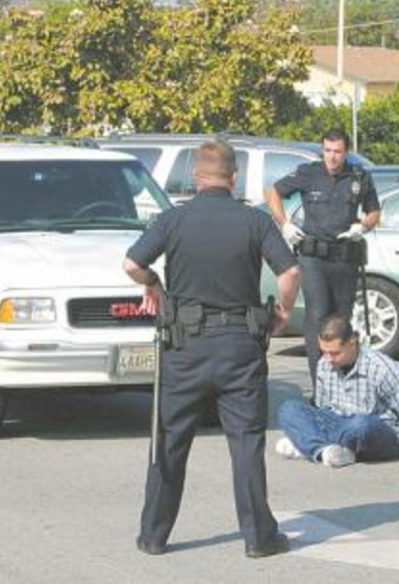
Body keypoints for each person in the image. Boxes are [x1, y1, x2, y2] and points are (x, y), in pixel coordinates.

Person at [123, 140, 301, 558]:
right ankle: (258, 538)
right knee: (245, 442)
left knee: (170, 441)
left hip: (184, 348)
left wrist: (153, 282)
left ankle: (153, 535)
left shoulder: (174, 219)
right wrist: (283, 312)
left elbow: (131, 264)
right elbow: (290, 271)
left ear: (196, 178)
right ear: (233, 177)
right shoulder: (254, 221)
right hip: (240, 346)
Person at [265, 129, 380, 385]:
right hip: (313, 258)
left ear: (346, 152)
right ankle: (320, 385)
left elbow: (374, 212)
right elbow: (272, 192)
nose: (332, 157)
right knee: (317, 317)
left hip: (344, 258)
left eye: (337, 151)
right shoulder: (309, 173)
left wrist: (363, 226)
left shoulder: (359, 176)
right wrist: (284, 223)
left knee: (341, 321)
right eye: (327, 150)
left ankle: (341, 383)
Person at [275, 314, 399, 468]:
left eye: (335, 353)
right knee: (289, 409)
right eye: (324, 352)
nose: (329, 358)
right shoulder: (324, 364)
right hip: (338, 422)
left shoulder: (382, 369)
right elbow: (323, 408)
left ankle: (307, 444)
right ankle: (323, 452)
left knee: (362, 424)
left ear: (352, 341)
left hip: (374, 431)